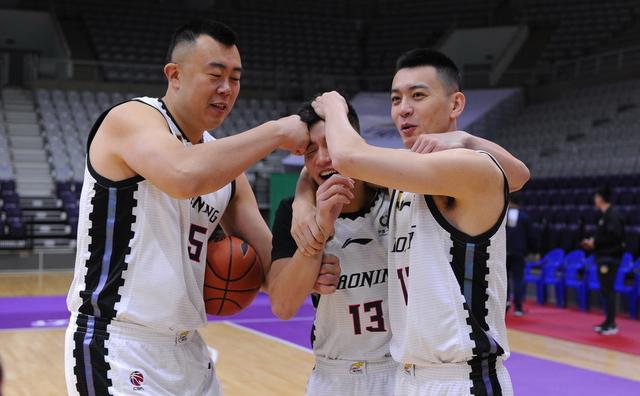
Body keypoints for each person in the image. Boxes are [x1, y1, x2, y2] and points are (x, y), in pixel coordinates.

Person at [64, 19, 312, 396]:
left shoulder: (224, 167)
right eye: (215, 75)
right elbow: (182, 175)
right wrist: (276, 132)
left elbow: (272, 274)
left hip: (188, 350)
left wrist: (314, 235)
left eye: (236, 78)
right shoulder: (132, 118)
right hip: (117, 343)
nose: (227, 89)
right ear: (174, 74)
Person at [307, 49, 530, 395]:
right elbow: (520, 174)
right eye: (396, 99)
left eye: (418, 95)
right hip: (408, 378)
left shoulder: (471, 167)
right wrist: (300, 206)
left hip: (462, 380)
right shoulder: (404, 177)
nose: (403, 109)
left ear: (455, 105)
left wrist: (335, 107)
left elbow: (348, 158)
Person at [269, 99, 396, 396]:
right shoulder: (294, 212)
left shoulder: (397, 196)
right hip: (334, 374)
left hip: (401, 370)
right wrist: (315, 241)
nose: (323, 158)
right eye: (310, 151)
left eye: (331, 144)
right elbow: (283, 306)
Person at [580, 187, 625, 335]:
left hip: (609, 258)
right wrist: (594, 242)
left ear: (600, 198)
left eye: (596, 197)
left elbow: (614, 237)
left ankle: (612, 324)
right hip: (603, 256)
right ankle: (607, 321)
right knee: (605, 290)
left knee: (608, 290)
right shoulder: (604, 216)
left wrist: (595, 242)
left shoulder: (612, 215)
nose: (595, 200)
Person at [506, 193, 537, 316]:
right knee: (518, 279)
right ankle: (518, 308)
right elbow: (532, 236)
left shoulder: (503, 216)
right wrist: (534, 251)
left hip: (504, 252)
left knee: (504, 279)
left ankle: (505, 303)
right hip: (518, 252)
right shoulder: (524, 217)